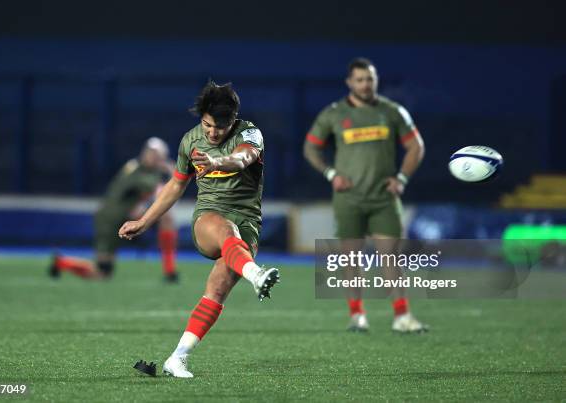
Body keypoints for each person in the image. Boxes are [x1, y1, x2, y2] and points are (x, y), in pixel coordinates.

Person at [119, 81, 280, 378]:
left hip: (248, 225)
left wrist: (217, 160)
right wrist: (144, 220)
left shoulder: (250, 133)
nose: (212, 132)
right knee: (224, 228)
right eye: (207, 125)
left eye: (219, 127)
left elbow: (242, 158)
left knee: (216, 291)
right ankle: (255, 274)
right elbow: (176, 185)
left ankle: (177, 358)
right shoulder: (190, 140)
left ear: (233, 119)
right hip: (209, 219)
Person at [303, 57, 428, 333]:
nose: (365, 84)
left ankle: (402, 316)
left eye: (369, 79)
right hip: (349, 199)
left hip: (384, 198)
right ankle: (357, 315)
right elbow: (310, 148)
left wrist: (402, 178)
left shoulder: (392, 111)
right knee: (351, 259)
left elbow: (416, 147)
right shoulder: (333, 114)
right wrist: (331, 174)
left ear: (376, 80)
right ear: (349, 82)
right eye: (359, 79)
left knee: (391, 258)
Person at [49, 137, 180, 283]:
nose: (152, 157)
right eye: (151, 153)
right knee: (102, 273)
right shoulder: (136, 169)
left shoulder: (147, 170)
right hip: (110, 221)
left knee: (166, 217)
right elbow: (159, 191)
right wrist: (173, 174)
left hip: (126, 219)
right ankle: (62, 263)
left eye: (157, 155)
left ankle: (170, 271)